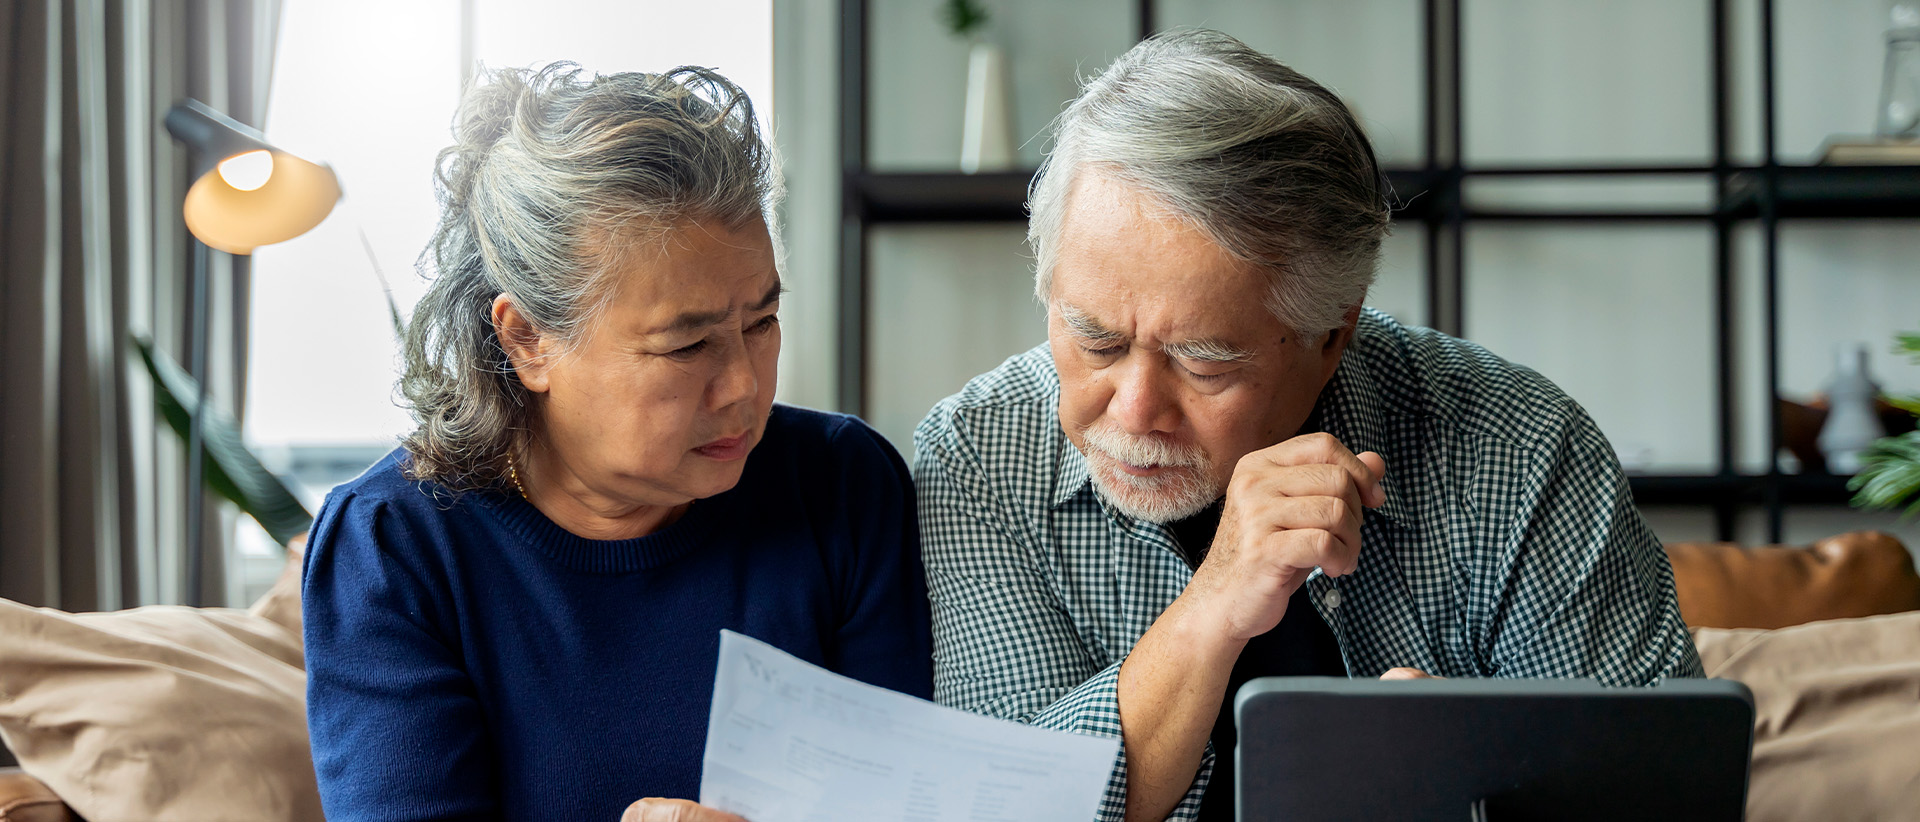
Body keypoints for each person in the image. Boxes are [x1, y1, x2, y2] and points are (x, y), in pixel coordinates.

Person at [912, 29, 1702, 822]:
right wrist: (1214, 604)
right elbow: (1001, 802)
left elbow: (1663, 794)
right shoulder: (979, 457)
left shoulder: (1522, 450)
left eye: (1203, 361)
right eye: (1094, 340)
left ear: (1332, 336)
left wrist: (1480, 782)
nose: (1133, 409)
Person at [302, 64, 931, 822]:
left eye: (761, 324)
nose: (743, 385)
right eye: (687, 345)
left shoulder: (842, 485)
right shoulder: (393, 546)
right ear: (528, 340)